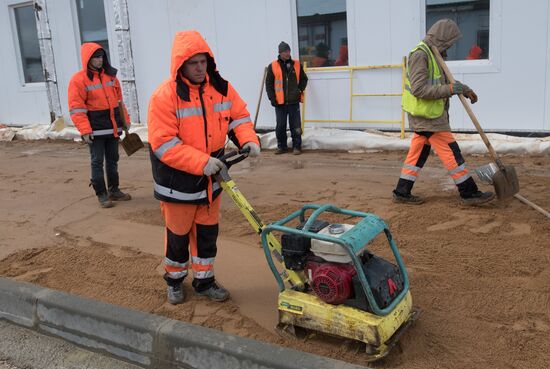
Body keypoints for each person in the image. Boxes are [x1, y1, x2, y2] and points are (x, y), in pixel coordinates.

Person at [147, 30, 261, 304]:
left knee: (207, 236)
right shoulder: (165, 96)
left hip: (212, 181)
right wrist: (201, 162)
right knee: (178, 238)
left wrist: (248, 139)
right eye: (193, 63)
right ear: (181, 65)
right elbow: (163, 144)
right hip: (179, 184)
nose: (200, 68)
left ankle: (204, 281)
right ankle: (174, 280)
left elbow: (239, 117)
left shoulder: (221, 88)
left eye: (203, 61)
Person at [395, 19, 494, 206]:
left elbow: (444, 81)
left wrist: (462, 88)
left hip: (426, 116)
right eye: (450, 42)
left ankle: (402, 191)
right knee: (452, 153)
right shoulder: (420, 55)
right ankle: (469, 193)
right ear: (442, 39)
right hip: (428, 117)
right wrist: (450, 89)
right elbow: (419, 89)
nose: (451, 46)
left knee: (417, 154)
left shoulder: (434, 53)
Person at [68, 43, 132, 208]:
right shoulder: (78, 80)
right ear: (88, 59)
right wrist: (85, 130)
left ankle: (114, 190)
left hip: (112, 128)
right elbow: (77, 109)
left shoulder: (111, 77)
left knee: (113, 160)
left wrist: (125, 122)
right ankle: (102, 194)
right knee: (97, 162)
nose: (99, 60)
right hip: (95, 130)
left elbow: (119, 103)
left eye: (101, 56)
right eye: (96, 57)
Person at [265, 41, 308, 155]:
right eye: (285, 52)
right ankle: (282, 146)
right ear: (280, 53)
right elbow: (269, 84)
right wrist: (272, 99)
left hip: (294, 102)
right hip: (280, 103)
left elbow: (304, 79)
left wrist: (300, 89)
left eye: (288, 51)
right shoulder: (273, 66)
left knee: (296, 126)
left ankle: (297, 146)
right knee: (280, 126)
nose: (287, 53)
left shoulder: (297, 65)